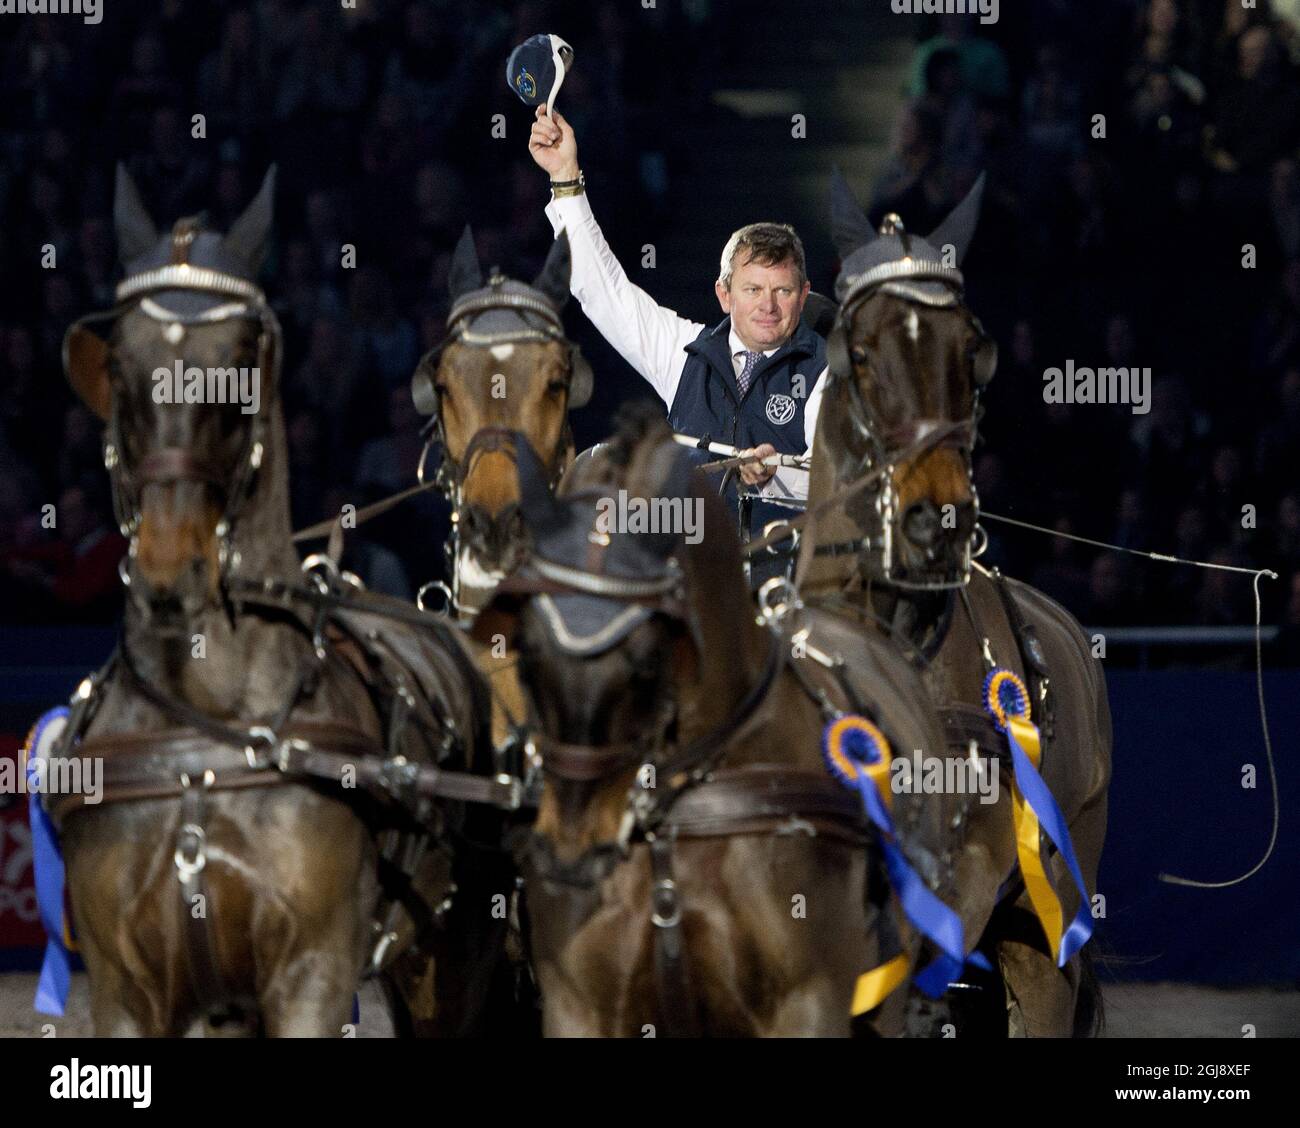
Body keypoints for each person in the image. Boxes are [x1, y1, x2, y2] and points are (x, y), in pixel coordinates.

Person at [528, 106, 828, 581]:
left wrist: (777, 474)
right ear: (724, 295)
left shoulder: (827, 371)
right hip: (682, 580)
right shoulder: (685, 350)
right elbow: (604, 293)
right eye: (753, 290)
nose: (768, 305)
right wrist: (566, 179)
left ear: (804, 295)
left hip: (780, 586)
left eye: (783, 290)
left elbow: (835, 484)